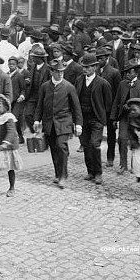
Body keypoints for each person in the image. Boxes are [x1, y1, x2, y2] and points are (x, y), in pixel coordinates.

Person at [34, 59, 81, 189]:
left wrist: (78, 124)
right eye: (57, 72)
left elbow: (76, 107)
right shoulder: (45, 87)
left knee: (61, 147)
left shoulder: (69, 87)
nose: (60, 74)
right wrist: (37, 120)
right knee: (54, 149)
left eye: (62, 72)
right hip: (49, 123)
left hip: (64, 122)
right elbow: (39, 105)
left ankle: (63, 176)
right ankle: (57, 173)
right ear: (51, 72)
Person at [75, 53, 112, 186]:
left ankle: (98, 173)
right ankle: (90, 171)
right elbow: (75, 99)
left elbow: (108, 104)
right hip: (83, 119)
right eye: (83, 67)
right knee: (85, 145)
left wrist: (103, 118)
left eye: (88, 67)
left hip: (96, 119)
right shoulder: (79, 80)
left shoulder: (103, 83)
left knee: (94, 145)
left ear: (95, 67)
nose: (85, 69)